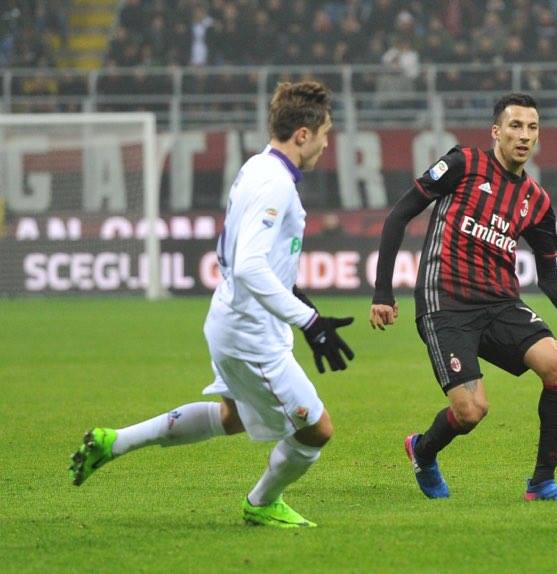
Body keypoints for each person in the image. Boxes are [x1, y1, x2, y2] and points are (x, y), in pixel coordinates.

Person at [69, 81, 355, 529]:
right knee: (317, 429)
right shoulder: (275, 184)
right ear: (303, 134)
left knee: (232, 416)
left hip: (231, 319)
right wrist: (310, 321)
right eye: (324, 134)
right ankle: (261, 503)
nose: (325, 143)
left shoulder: (257, 167)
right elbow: (249, 265)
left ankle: (114, 441)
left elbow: (254, 260)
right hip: (251, 335)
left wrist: (300, 302)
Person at [369, 93, 557, 502]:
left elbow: (549, 276)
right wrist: (382, 292)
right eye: (515, 126)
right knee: (471, 411)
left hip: (500, 304)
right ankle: (423, 451)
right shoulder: (463, 164)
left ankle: (542, 483)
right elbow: (399, 214)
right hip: (445, 303)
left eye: (532, 128)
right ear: (496, 132)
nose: (524, 135)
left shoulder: (537, 200)